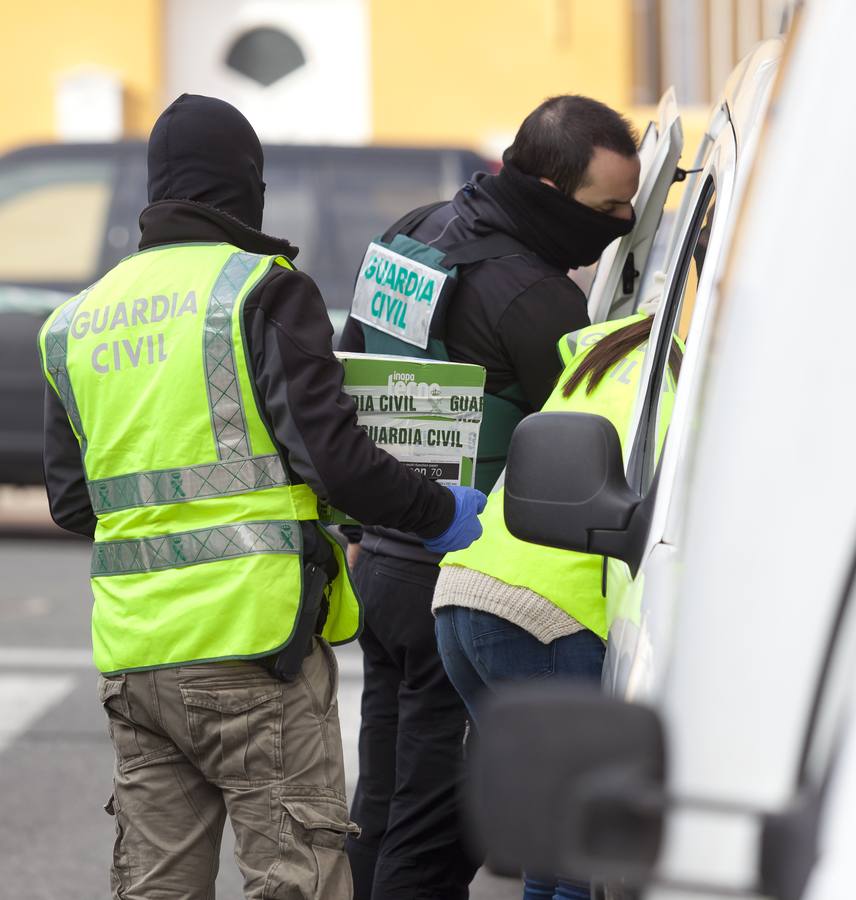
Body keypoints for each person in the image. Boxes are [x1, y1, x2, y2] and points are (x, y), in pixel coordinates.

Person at [38, 94, 485, 900]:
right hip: (253, 650)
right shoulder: (260, 290)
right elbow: (336, 463)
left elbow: (74, 503)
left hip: (136, 659)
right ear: (248, 185)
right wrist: (439, 512)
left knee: (156, 888)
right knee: (297, 881)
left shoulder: (74, 322)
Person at [338, 95, 641, 900]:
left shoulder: (416, 230)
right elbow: (587, 433)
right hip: (466, 570)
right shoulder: (536, 299)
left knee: (383, 805)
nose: (621, 221)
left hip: (386, 561)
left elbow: (353, 370)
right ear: (546, 187)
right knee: (436, 834)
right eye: (606, 208)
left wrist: (358, 526)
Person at [433, 312, 681, 900]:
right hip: (546, 618)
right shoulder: (684, 383)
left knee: (545, 830)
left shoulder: (596, 362)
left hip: (464, 595)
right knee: (580, 844)